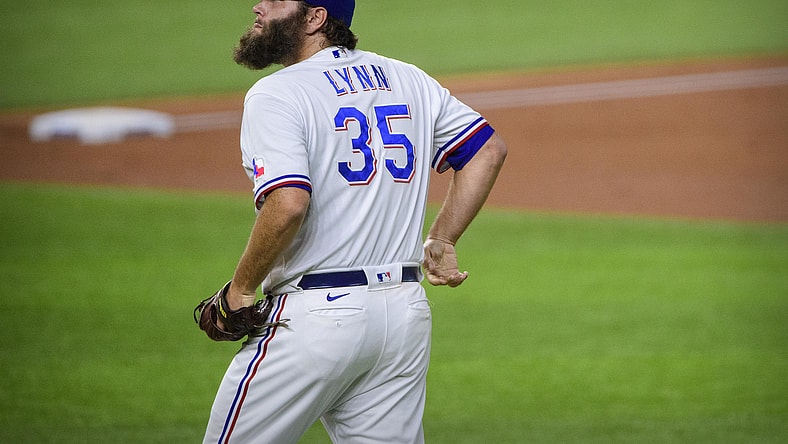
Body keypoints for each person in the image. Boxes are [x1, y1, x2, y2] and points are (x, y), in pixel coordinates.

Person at [202, 0, 506, 442]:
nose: (259, 5)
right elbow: (487, 149)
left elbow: (287, 204)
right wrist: (442, 238)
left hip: (315, 320)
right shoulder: (408, 78)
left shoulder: (277, 93)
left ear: (315, 18)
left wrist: (241, 289)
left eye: (276, 0)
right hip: (403, 316)